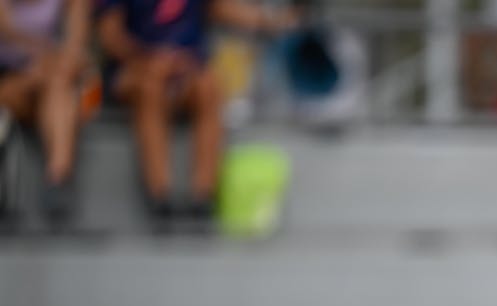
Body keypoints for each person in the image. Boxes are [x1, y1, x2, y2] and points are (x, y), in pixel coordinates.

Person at [95, 0, 298, 222]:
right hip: (134, 69)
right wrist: (148, 58)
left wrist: (275, 20)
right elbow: (109, 36)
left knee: (210, 87)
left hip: (185, 68)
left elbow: (223, 9)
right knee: (150, 89)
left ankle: (202, 198)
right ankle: (159, 195)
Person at [0, 0, 89, 219]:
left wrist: (50, 64)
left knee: (59, 87)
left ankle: (58, 177)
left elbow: (77, 54)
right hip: (10, 82)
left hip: (50, 83)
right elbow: (5, 31)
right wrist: (40, 58)